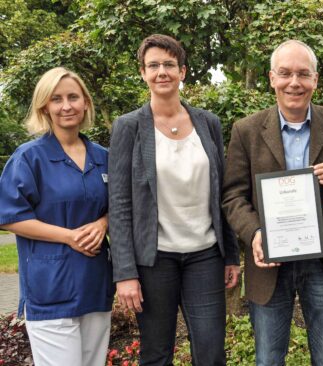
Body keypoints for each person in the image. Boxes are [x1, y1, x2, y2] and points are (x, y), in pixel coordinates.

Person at [222, 39, 323, 366]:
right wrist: (256, 232)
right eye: (285, 73)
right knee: (269, 359)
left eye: (303, 74)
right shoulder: (246, 130)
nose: (294, 82)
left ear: (315, 79)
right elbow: (232, 195)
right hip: (269, 260)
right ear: (272, 78)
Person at [108, 34, 240, 366]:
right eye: (153, 65)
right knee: (156, 353)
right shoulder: (129, 127)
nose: (161, 72)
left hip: (205, 256)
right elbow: (120, 203)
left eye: (169, 64)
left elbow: (221, 192)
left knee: (210, 353)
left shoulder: (208, 123)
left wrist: (230, 256)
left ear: (182, 71)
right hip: (154, 261)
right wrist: (125, 273)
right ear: (143, 73)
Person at [0, 67, 113, 365]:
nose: (66, 106)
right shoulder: (28, 157)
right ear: (44, 107)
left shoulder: (103, 157)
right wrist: (69, 237)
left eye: (73, 97)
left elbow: (121, 206)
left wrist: (103, 223)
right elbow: (8, 216)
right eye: (57, 99)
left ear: (85, 102)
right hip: (50, 289)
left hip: (95, 284)